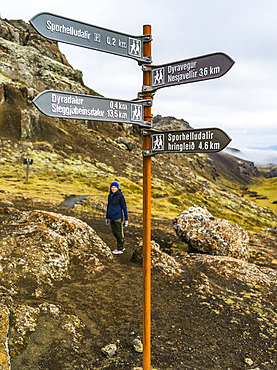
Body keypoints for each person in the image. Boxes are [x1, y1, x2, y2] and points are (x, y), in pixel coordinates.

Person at [106, 181, 128, 254]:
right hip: (111, 217)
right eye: (112, 187)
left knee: (119, 233)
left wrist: (126, 219)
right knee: (114, 232)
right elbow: (108, 206)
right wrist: (107, 217)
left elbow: (124, 207)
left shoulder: (120, 196)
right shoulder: (110, 196)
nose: (113, 189)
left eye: (115, 187)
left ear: (117, 188)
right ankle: (121, 246)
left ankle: (120, 249)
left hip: (118, 217)